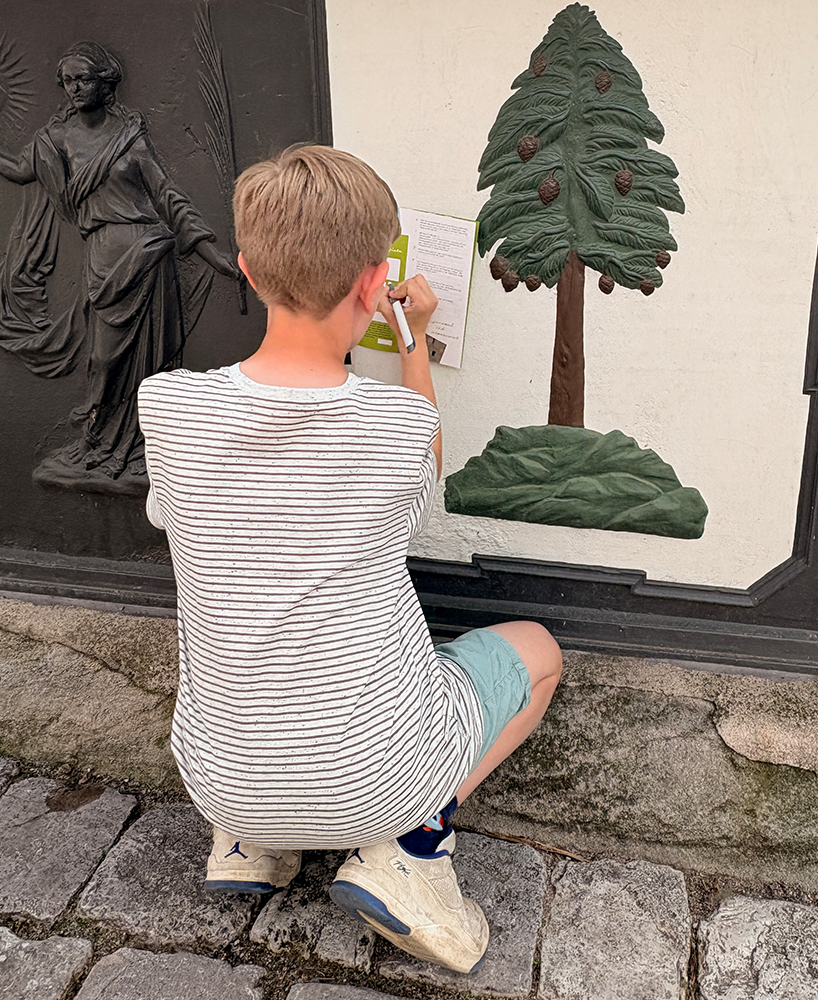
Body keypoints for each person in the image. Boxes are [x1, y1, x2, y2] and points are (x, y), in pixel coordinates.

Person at [136, 144, 562, 973]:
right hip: (371, 779)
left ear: (250, 272)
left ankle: (252, 843)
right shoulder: (397, 429)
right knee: (538, 653)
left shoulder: (171, 407)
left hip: (220, 780)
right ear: (375, 285)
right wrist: (416, 344)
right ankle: (411, 847)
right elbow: (420, 483)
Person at [0, 41, 236, 486]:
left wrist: (210, 252)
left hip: (149, 255)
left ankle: (141, 446)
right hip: (103, 257)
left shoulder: (129, 135)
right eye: (67, 81)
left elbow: (167, 195)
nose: (74, 88)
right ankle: (102, 440)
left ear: (104, 83)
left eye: (82, 79)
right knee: (104, 359)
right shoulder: (56, 138)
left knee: (151, 365)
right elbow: (17, 169)